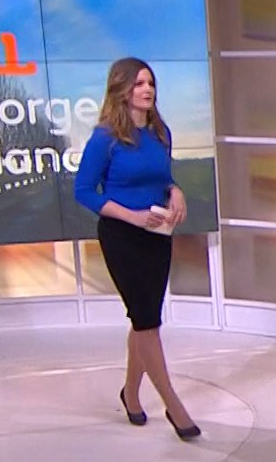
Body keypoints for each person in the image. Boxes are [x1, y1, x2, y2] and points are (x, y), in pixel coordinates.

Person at [74, 57, 201, 441]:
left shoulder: (160, 133)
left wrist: (175, 190)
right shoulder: (106, 138)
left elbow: (161, 178)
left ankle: (130, 394)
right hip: (122, 236)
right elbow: (84, 191)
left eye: (151, 83)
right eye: (139, 84)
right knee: (147, 323)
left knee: (143, 318)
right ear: (122, 89)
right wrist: (130, 216)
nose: (147, 90)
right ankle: (174, 405)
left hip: (157, 236)